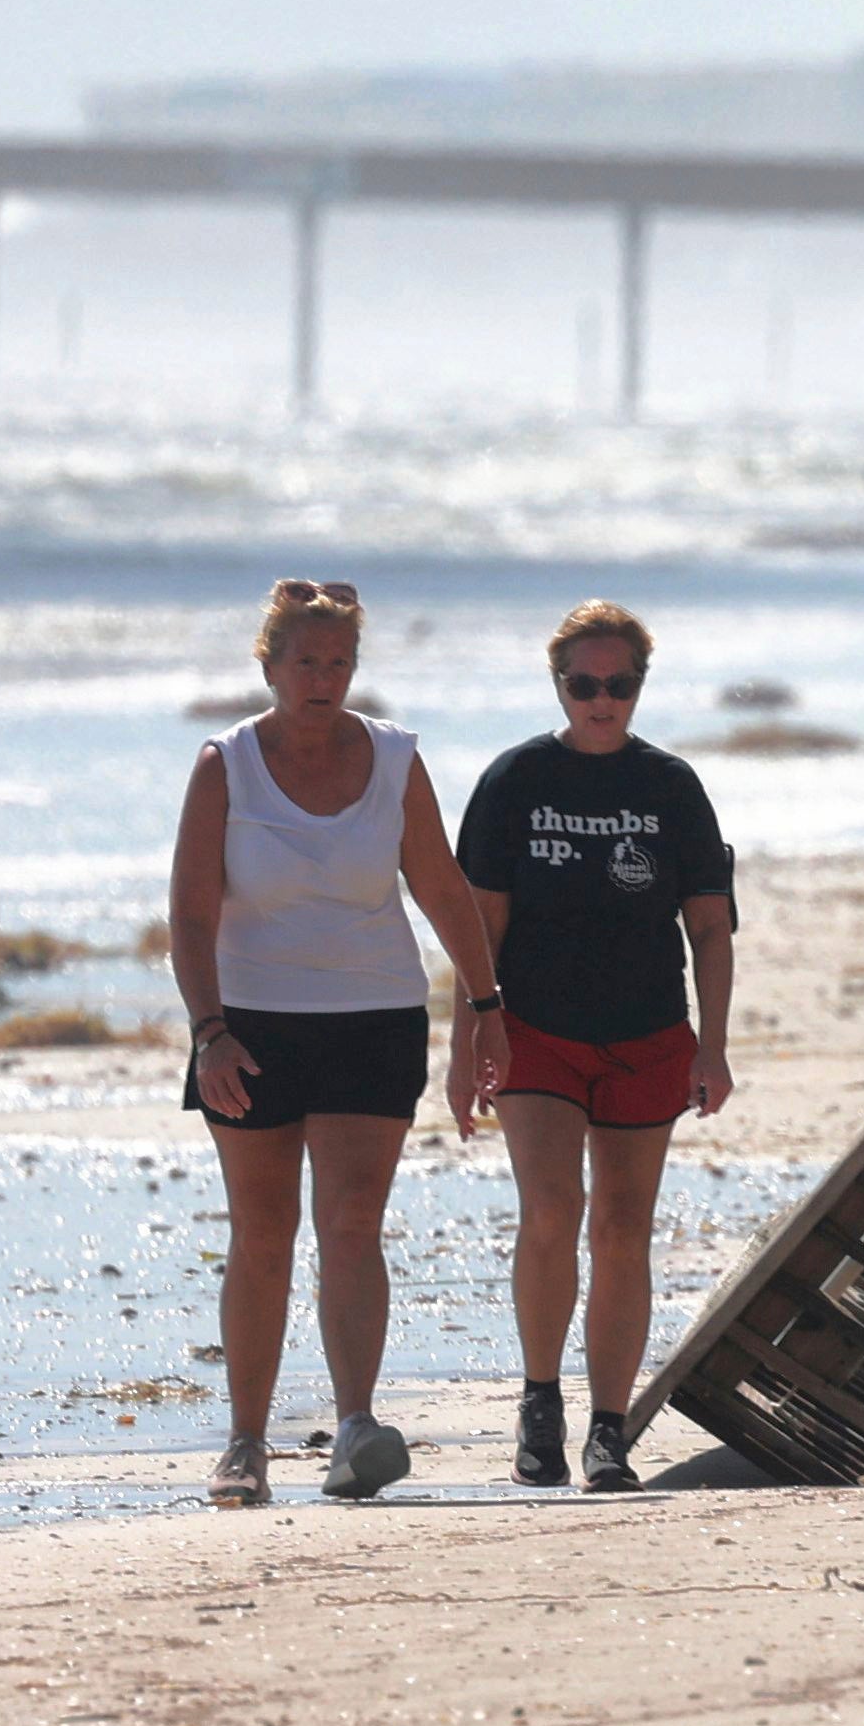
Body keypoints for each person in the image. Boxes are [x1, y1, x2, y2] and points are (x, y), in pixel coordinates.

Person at [169, 577, 505, 1508]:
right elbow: (191, 920)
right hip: (251, 1026)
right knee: (263, 1232)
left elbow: (443, 889)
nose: (323, 678)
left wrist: (487, 1004)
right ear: (269, 666)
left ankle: (355, 1426)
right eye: (305, 662)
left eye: (339, 663)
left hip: (372, 1017)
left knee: (352, 1224)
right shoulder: (223, 766)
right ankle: (245, 1444)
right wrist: (210, 1035)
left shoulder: (395, 759)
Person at [460, 599, 736, 1493]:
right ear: (559, 686)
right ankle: (541, 1403)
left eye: (618, 685)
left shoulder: (671, 787)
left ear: (639, 688)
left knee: (624, 1229)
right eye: (585, 684)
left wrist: (714, 1047)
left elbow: (710, 929)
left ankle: (608, 1433)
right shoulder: (514, 782)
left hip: (648, 1034)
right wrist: (469, 1038)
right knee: (551, 1210)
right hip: (534, 1031)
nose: (601, 699)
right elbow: (480, 927)